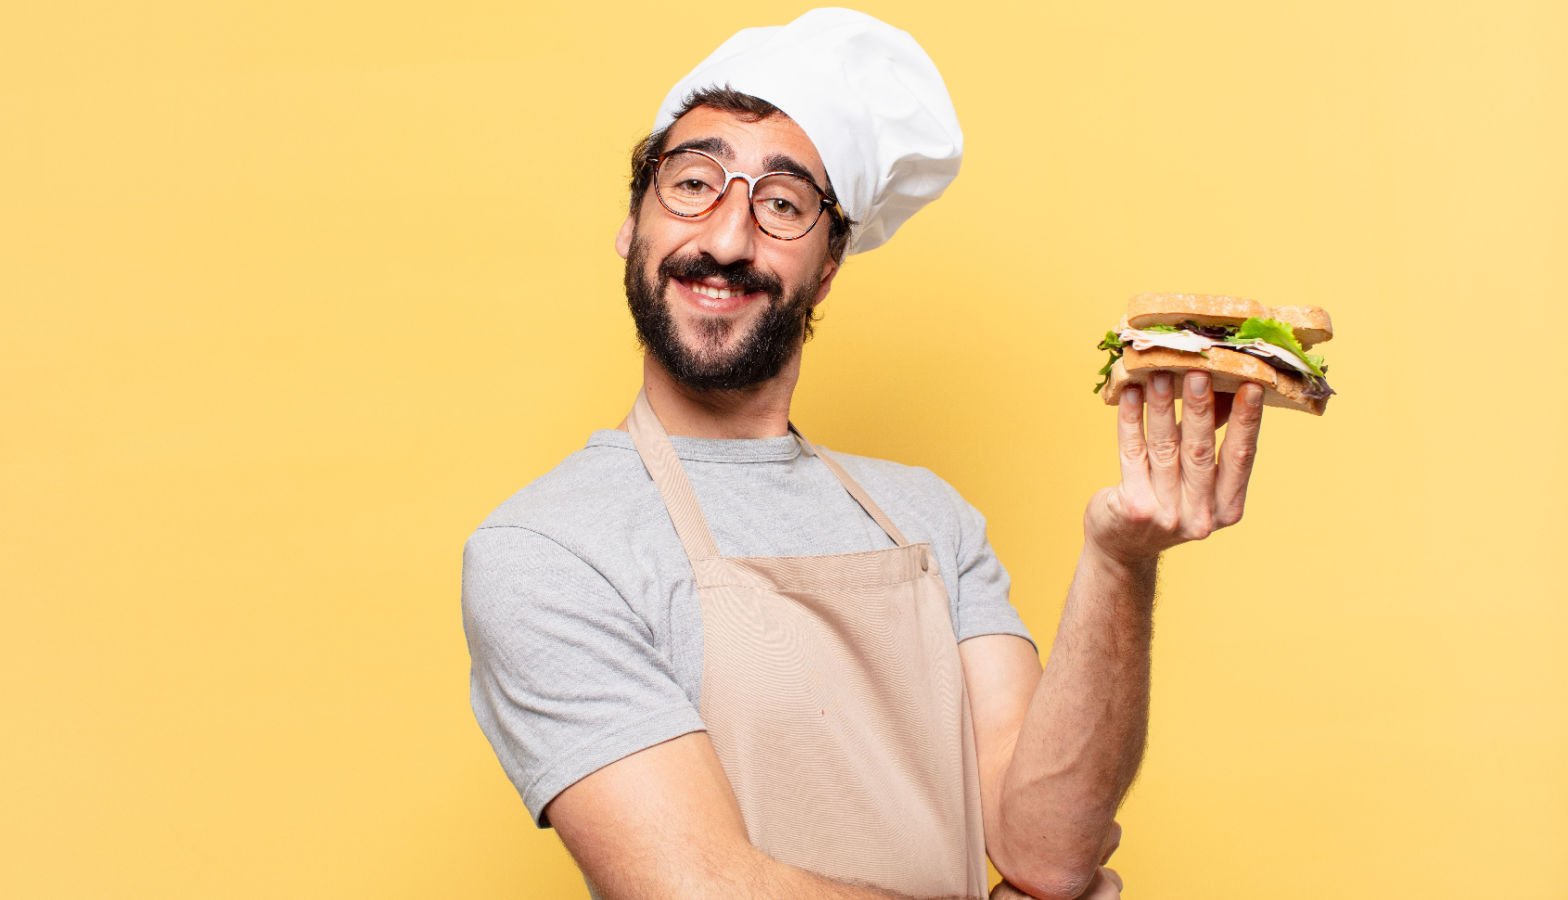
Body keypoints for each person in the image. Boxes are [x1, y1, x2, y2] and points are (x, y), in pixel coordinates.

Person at [461, 9, 1265, 899]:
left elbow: (1045, 850)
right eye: (692, 183)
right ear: (633, 221)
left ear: (831, 264)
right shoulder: (547, 550)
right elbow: (699, 887)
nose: (727, 240)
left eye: (782, 205)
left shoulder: (930, 518)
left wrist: (1122, 559)